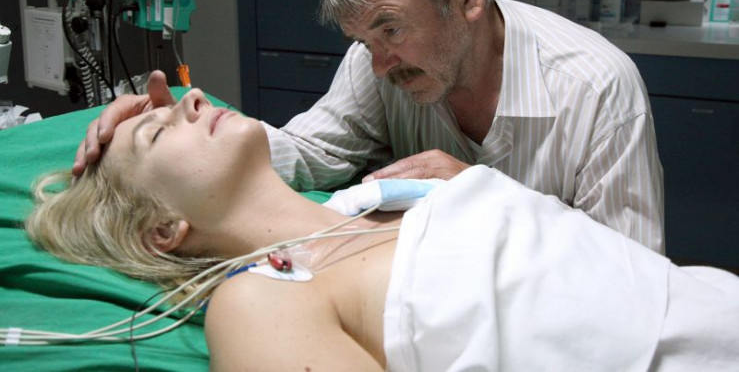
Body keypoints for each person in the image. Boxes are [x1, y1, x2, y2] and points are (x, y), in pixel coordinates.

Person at [74, 0, 664, 252]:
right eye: (363, 41)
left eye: (392, 30)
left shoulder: (596, 88)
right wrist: (177, 136)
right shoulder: (378, 62)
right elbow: (311, 152)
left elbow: (632, 268)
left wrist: (486, 198)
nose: (380, 64)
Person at [29, 90, 738, 371]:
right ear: (163, 230)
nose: (188, 98)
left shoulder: (382, 195)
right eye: (158, 132)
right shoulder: (262, 299)